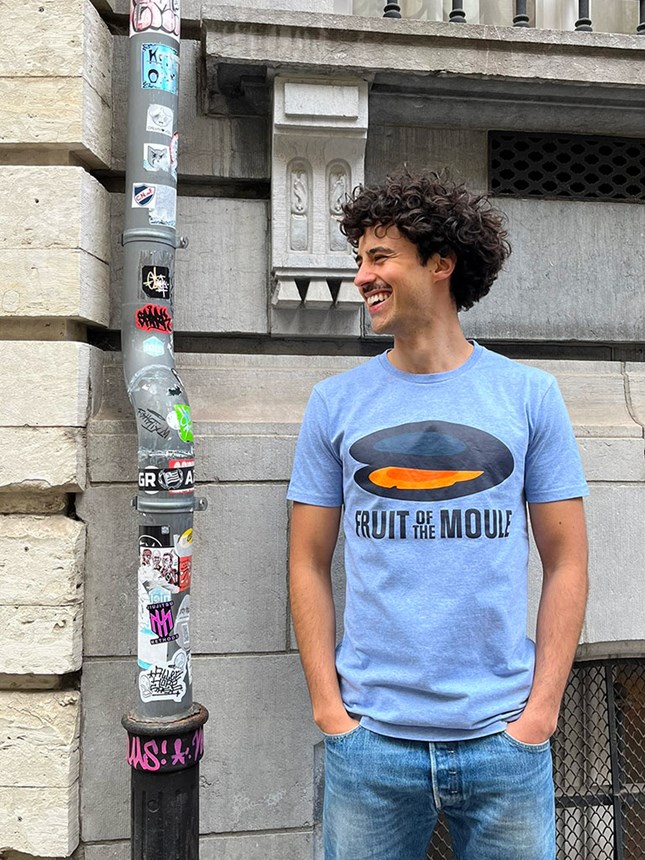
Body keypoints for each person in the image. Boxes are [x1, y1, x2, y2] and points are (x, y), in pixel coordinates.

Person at [287, 172, 588, 860]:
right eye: (359, 259)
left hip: (503, 743)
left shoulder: (528, 396)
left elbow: (567, 561)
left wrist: (539, 716)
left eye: (379, 257)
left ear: (441, 263)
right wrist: (331, 712)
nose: (361, 277)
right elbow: (306, 561)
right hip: (371, 744)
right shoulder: (334, 403)